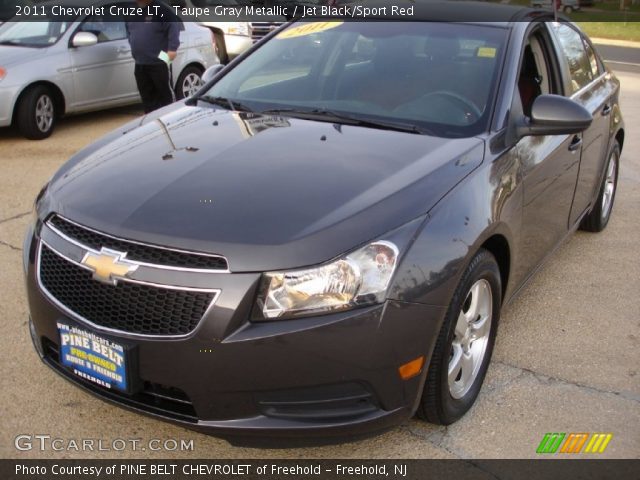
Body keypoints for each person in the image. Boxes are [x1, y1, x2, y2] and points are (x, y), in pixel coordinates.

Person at [126, 0, 181, 113]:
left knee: (166, 98)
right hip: (140, 63)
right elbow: (129, 31)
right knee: (147, 101)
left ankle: (171, 121)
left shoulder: (161, 9)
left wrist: (172, 49)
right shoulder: (131, 11)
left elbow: (173, 26)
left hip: (159, 62)